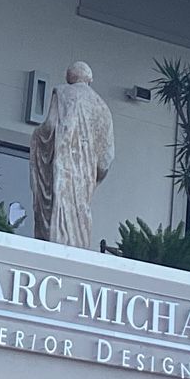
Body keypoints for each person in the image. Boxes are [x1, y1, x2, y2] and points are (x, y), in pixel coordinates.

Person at [29, 61, 115, 248]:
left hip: (64, 166)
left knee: (60, 212)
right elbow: (106, 158)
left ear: (70, 78)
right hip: (85, 174)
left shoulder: (63, 93)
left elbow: (50, 126)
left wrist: (38, 136)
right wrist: (93, 174)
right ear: (90, 79)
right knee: (80, 214)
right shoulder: (103, 108)